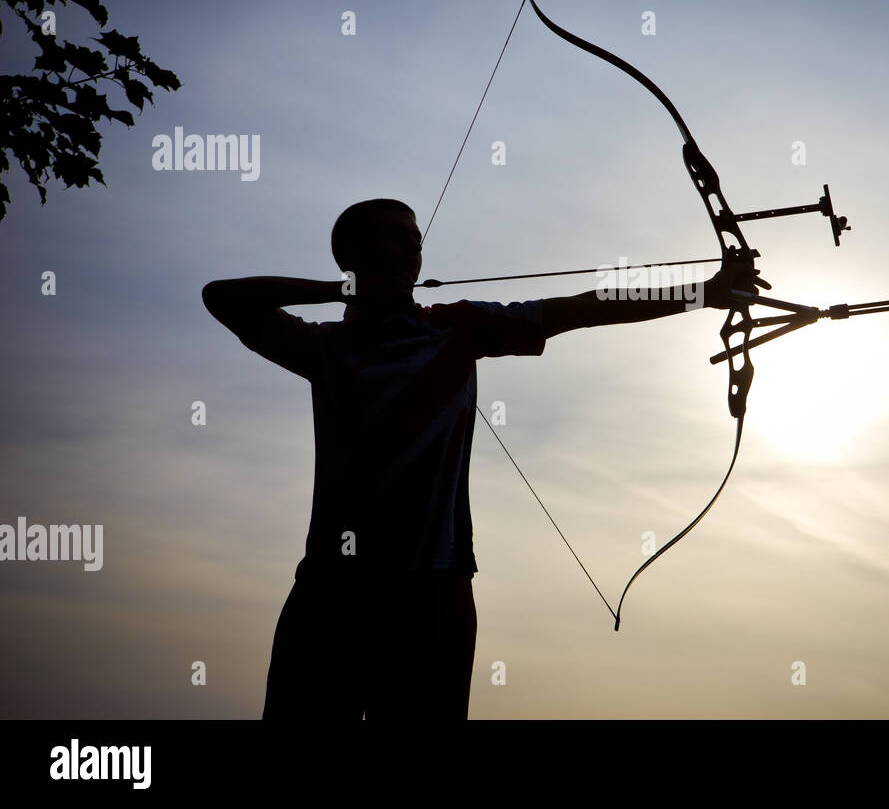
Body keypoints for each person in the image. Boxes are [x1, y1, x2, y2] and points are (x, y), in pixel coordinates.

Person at [201, 198, 762, 719]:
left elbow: (584, 308)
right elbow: (221, 296)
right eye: (393, 239)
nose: (411, 252)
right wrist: (343, 289)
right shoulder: (324, 348)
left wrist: (704, 292)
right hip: (335, 591)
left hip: (435, 594)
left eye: (414, 242)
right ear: (354, 252)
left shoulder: (458, 328)